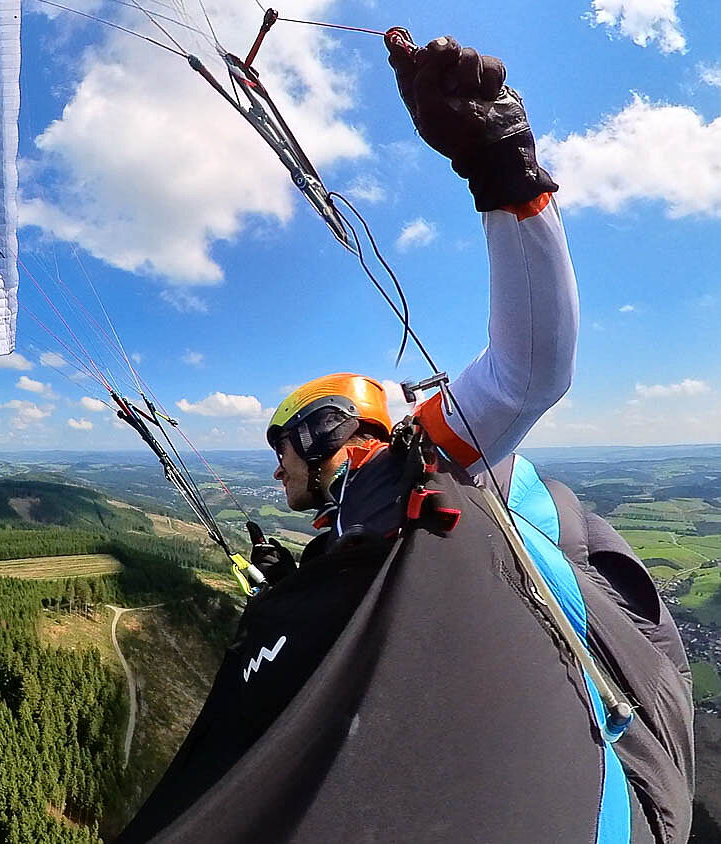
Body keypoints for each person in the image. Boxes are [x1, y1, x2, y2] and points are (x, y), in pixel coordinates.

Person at [119, 37, 694, 843]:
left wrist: (500, 162)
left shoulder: (422, 460)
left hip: (607, 779)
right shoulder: (355, 521)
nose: (275, 461)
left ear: (329, 427)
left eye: (281, 439)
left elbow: (531, 371)